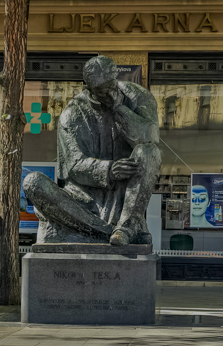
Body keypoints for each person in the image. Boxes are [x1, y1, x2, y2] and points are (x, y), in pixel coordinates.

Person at [23, 56, 161, 246]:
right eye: (100, 89)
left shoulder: (137, 97)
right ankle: (105, 232)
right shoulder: (72, 114)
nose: (109, 92)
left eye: (111, 84)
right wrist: (109, 170)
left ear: (116, 78)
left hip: (123, 198)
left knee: (149, 152)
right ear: (88, 87)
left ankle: (126, 227)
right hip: (81, 201)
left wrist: (119, 109)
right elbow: (73, 165)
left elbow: (149, 138)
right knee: (32, 182)